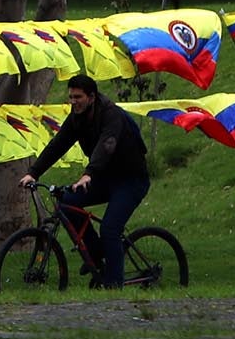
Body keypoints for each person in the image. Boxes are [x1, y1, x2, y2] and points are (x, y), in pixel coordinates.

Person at [18, 74, 150, 288]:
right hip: (105, 177)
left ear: (92, 97)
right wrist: (33, 172)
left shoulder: (111, 115)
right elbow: (58, 145)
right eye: (70, 97)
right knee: (67, 203)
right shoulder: (77, 117)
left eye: (78, 97)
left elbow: (107, 145)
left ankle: (114, 286)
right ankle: (97, 256)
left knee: (110, 229)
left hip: (130, 179)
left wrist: (89, 173)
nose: (73, 101)